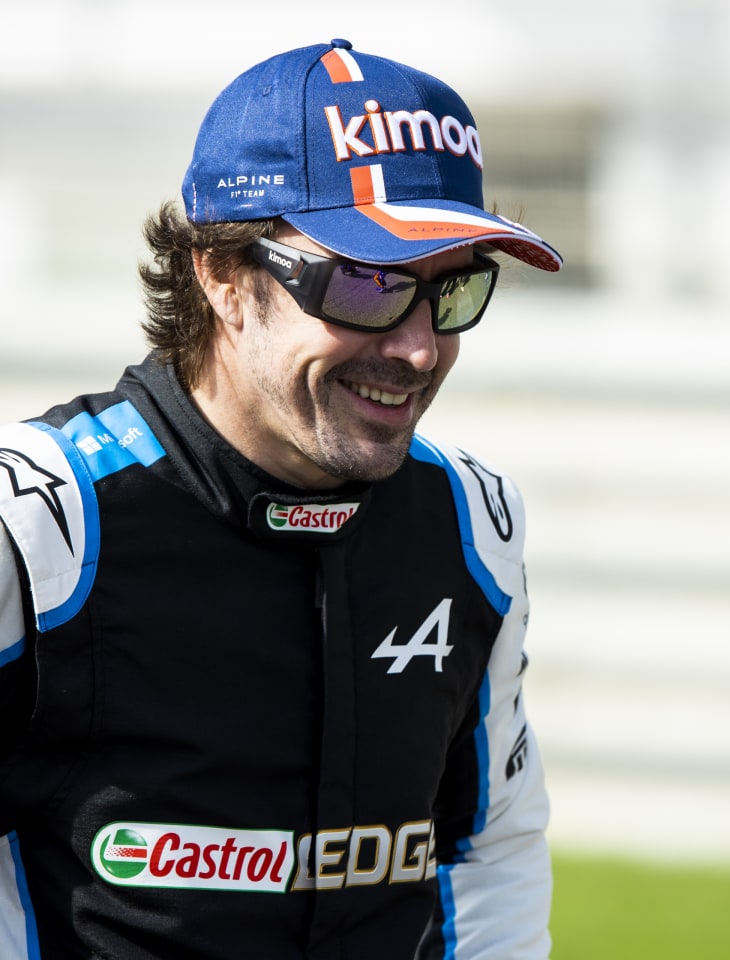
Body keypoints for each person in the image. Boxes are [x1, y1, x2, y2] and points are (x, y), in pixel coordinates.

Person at [0, 39, 562, 959]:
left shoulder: (470, 525)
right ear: (221, 276)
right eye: (368, 283)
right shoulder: (40, 528)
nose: (420, 349)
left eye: (449, 290)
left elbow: (487, 846)